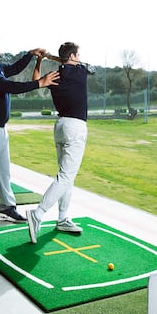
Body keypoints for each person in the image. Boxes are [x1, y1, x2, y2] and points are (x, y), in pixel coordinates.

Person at [0, 38, 60, 228]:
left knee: (3, 172)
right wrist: (39, 83)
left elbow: (15, 68)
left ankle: (7, 208)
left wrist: (30, 54)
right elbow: (10, 87)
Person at [26, 42, 96, 243]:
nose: (80, 58)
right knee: (66, 176)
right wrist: (50, 56)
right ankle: (38, 214)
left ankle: (63, 218)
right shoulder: (81, 71)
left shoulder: (55, 76)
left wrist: (41, 60)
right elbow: (82, 64)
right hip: (75, 127)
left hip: (60, 126)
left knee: (67, 177)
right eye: (78, 55)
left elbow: (35, 81)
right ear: (73, 56)